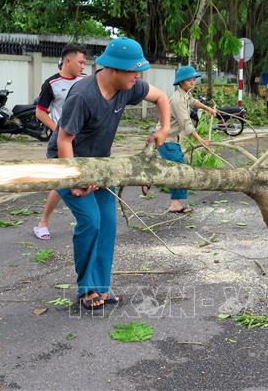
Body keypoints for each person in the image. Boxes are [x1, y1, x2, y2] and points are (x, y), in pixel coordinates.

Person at [47, 37, 170, 310]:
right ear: (112, 69)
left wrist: (164, 129)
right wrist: (76, 179)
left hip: (102, 166)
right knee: (91, 221)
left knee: (108, 223)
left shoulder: (127, 87)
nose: (137, 76)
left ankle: (102, 287)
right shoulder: (83, 95)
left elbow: (161, 97)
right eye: (132, 70)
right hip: (67, 163)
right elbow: (64, 141)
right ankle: (87, 289)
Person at [33, 44, 88, 240]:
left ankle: (86, 222)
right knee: (62, 182)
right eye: (81, 62)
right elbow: (40, 112)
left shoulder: (87, 81)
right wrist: (59, 130)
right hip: (62, 141)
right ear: (67, 61)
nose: (83, 66)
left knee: (74, 182)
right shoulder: (52, 84)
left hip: (83, 141)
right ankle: (43, 223)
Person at [144, 65, 216, 213]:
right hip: (167, 139)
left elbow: (193, 101)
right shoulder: (177, 100)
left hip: (171, 140)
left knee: (171, 167)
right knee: (180, 169)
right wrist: (202, 141)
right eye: (188, 80)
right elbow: (186, 124)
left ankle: (148, 176)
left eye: (193, 79)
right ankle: (173, 201)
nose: (192, 82)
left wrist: (207, 108)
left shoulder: (185, 95)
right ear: (181, 82)